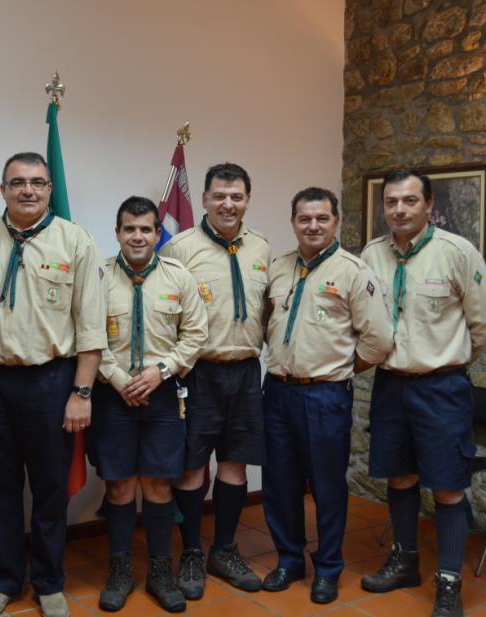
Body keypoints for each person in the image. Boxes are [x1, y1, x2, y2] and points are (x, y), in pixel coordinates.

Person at [0, 152, 106, 617]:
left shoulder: (75, 242)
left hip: (51, 383)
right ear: (2, 188)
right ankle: (4, 578)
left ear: (50, 189)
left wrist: (82, 392)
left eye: (38, 183)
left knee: (49, 488)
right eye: (18, 182)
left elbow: (91, 328)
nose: (28, 190)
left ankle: (48, 581)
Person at [358, 169, 486, 617]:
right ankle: (405, 559)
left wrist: (448, 360)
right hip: (390, 385)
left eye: (409, 201)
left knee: (447, 487)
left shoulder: (457, 252)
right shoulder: (371, 254)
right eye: (391, 202)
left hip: (442, 388)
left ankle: (449, 581)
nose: (399, 209)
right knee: (399, 475)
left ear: (429, 204)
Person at [261, 187, 392, 604]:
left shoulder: (354, 271)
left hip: (325, 398)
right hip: (277, 392)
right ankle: (288, 560)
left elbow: (378, 340)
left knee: (327, 487)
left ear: (336, 222)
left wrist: (339, 370)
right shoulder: (278, 268)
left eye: (322, 218)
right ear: (293, 222)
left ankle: (329, 568)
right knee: (279, 483)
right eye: (304, 218)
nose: (313, 226)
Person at [92, 196, 208, 613]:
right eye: (129, 228)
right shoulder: (99, 276)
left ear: (158, 233)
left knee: (159, 484)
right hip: (113, 394)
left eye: (146, 229)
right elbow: (87, 336)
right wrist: (121, 379)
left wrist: (161, 371)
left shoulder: (179, 277)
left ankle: (161, 570)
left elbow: (195, 335)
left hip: (162, 396)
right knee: (119, 484)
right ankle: (120, 570)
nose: (138, 236)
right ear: (118, 232)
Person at [160, 162, 270, 599]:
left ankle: (223, 550)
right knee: (191, 467)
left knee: (234, 463)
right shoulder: (179, 248)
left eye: (236, 196)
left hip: (245, 370)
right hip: (196, 373)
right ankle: (190, 552)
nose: (228, 203)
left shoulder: (261, 247)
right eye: (220, 195)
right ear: (204, 199)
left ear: (247, 200)